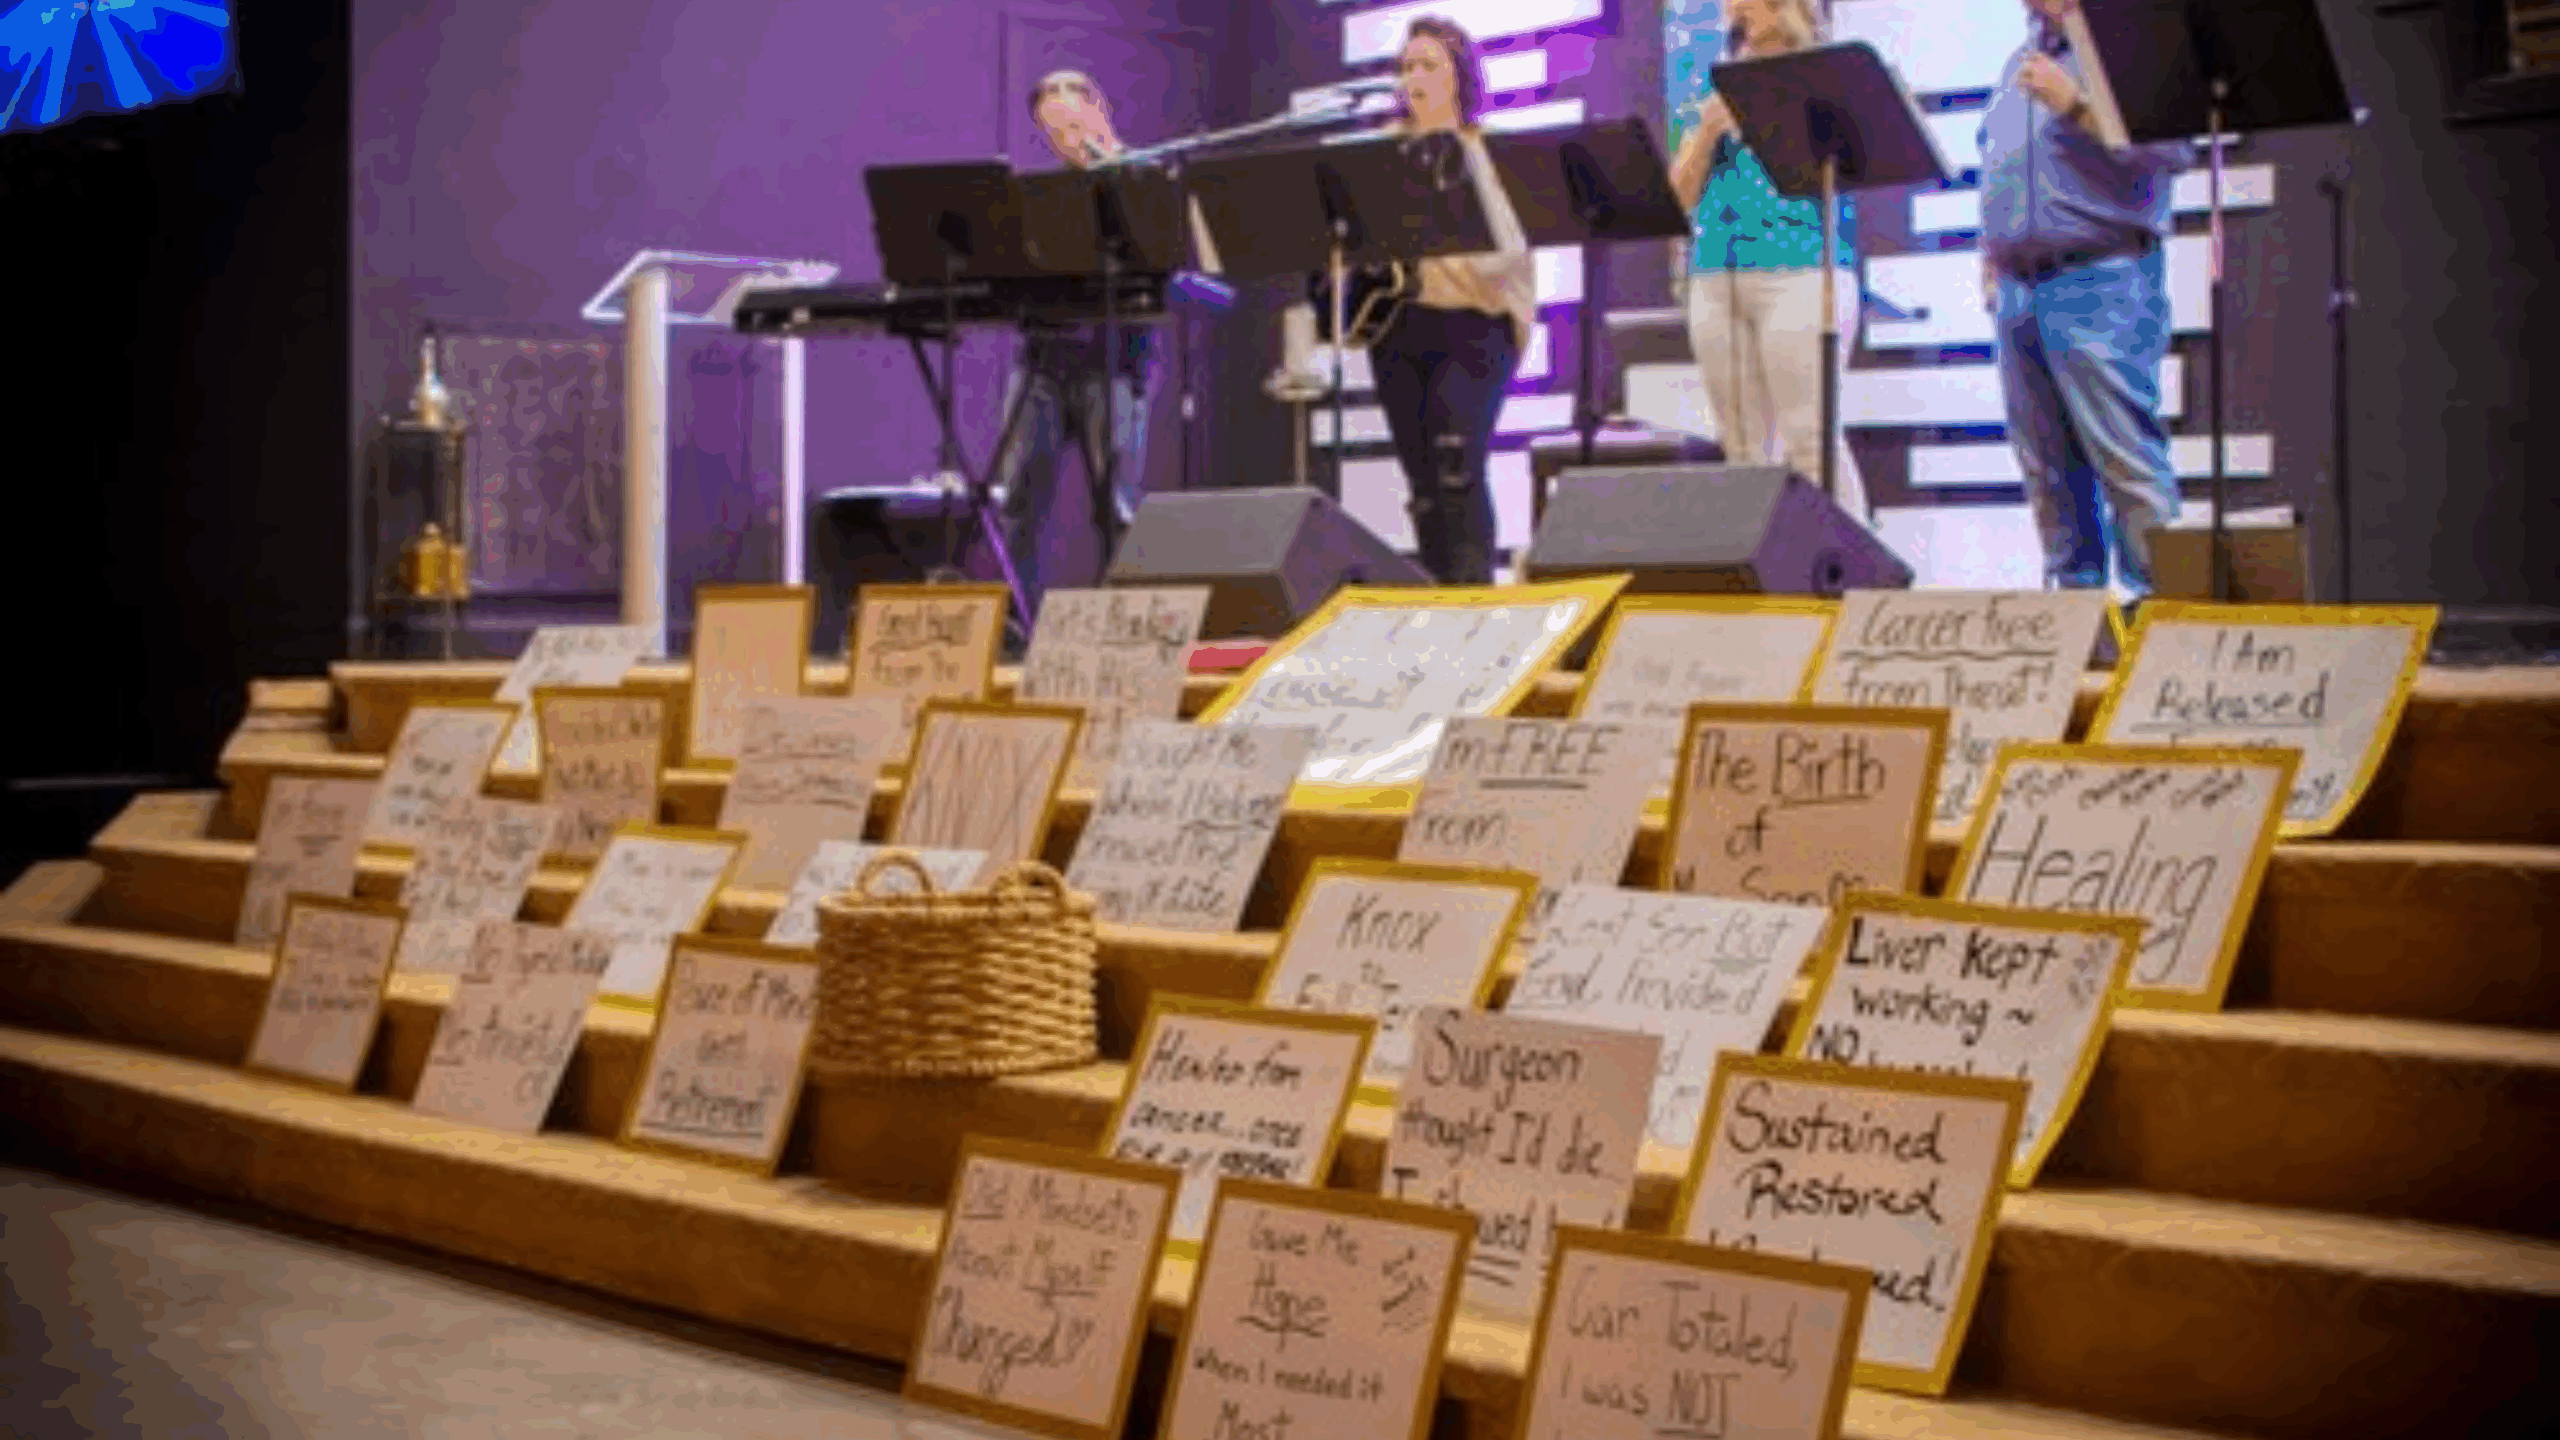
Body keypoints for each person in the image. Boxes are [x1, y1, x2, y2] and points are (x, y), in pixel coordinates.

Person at [1979, 0, 2192, 596]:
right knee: (2047, 473)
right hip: (2020, 289)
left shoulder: (2124, 45)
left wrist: (2075, 104)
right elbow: (2005, 162)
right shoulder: (2022, 57)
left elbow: (2173, 150)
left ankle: (2159, 617)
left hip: (2101, 277)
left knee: (2125, 460)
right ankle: (2076, 627)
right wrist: (1989, 250)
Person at [1666, 0, 1866, 518]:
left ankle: (1856, 582)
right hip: (1715, 274)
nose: (1730, 8)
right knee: (1744, 450)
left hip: (1799, 267)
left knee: (1811, 438)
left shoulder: (1826, 69)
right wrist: (1708, 130)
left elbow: (1854, 168)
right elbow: (1678, 200)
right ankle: (1769, 581)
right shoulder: (1709, 81)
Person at [1362, 17, 1535, 585]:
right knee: (1421, 483)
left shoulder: (1486, 153)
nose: (1415, 77)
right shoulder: (1383, 151)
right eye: (1407, 66)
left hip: (1475, 328)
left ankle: (1474, 598)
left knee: (1457, 466)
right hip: (1400, 325)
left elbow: (1501, 259)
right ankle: (1436, 598)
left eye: (1429, 65)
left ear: (1460, 77)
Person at [993, 69, 1155, 629]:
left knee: (1116, 506)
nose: (1066, 139)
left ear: (1098, 109)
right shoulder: (1046, 195)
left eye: (1072, 123)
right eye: (1052, 131)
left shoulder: (1145, 177)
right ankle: (1016, 625)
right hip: (1042, 359)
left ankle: (1121, 627)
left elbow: (1163, 263)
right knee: (1018, 499)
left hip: (1112, 360)